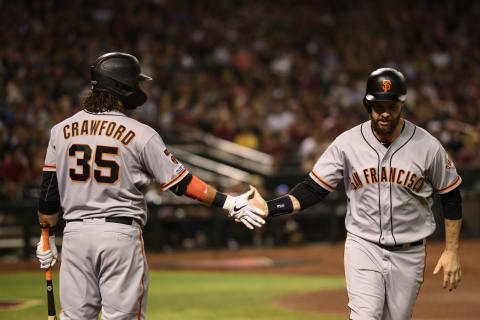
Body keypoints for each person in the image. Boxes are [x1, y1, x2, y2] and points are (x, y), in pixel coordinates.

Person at [35, 52, 266, 320]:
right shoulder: (140, 133)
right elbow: (181, 183)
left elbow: (48, 197)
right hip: (118, 236)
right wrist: (229, 202)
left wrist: (47, 238)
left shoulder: (60, 130)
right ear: (121, 87)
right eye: (134, 83)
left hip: (75, 237)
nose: (138, 89)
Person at [249, 68, 463, 320]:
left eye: (392, 106)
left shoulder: (427, 146)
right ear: (367, 105)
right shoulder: (347, 143)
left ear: (402, 106)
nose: (385, 112)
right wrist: (270, 207)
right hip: (364, 245)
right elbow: (313, 189)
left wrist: (451, 251)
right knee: (365, 316)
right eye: (378, 105)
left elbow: (450, 195)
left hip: (410, 252)